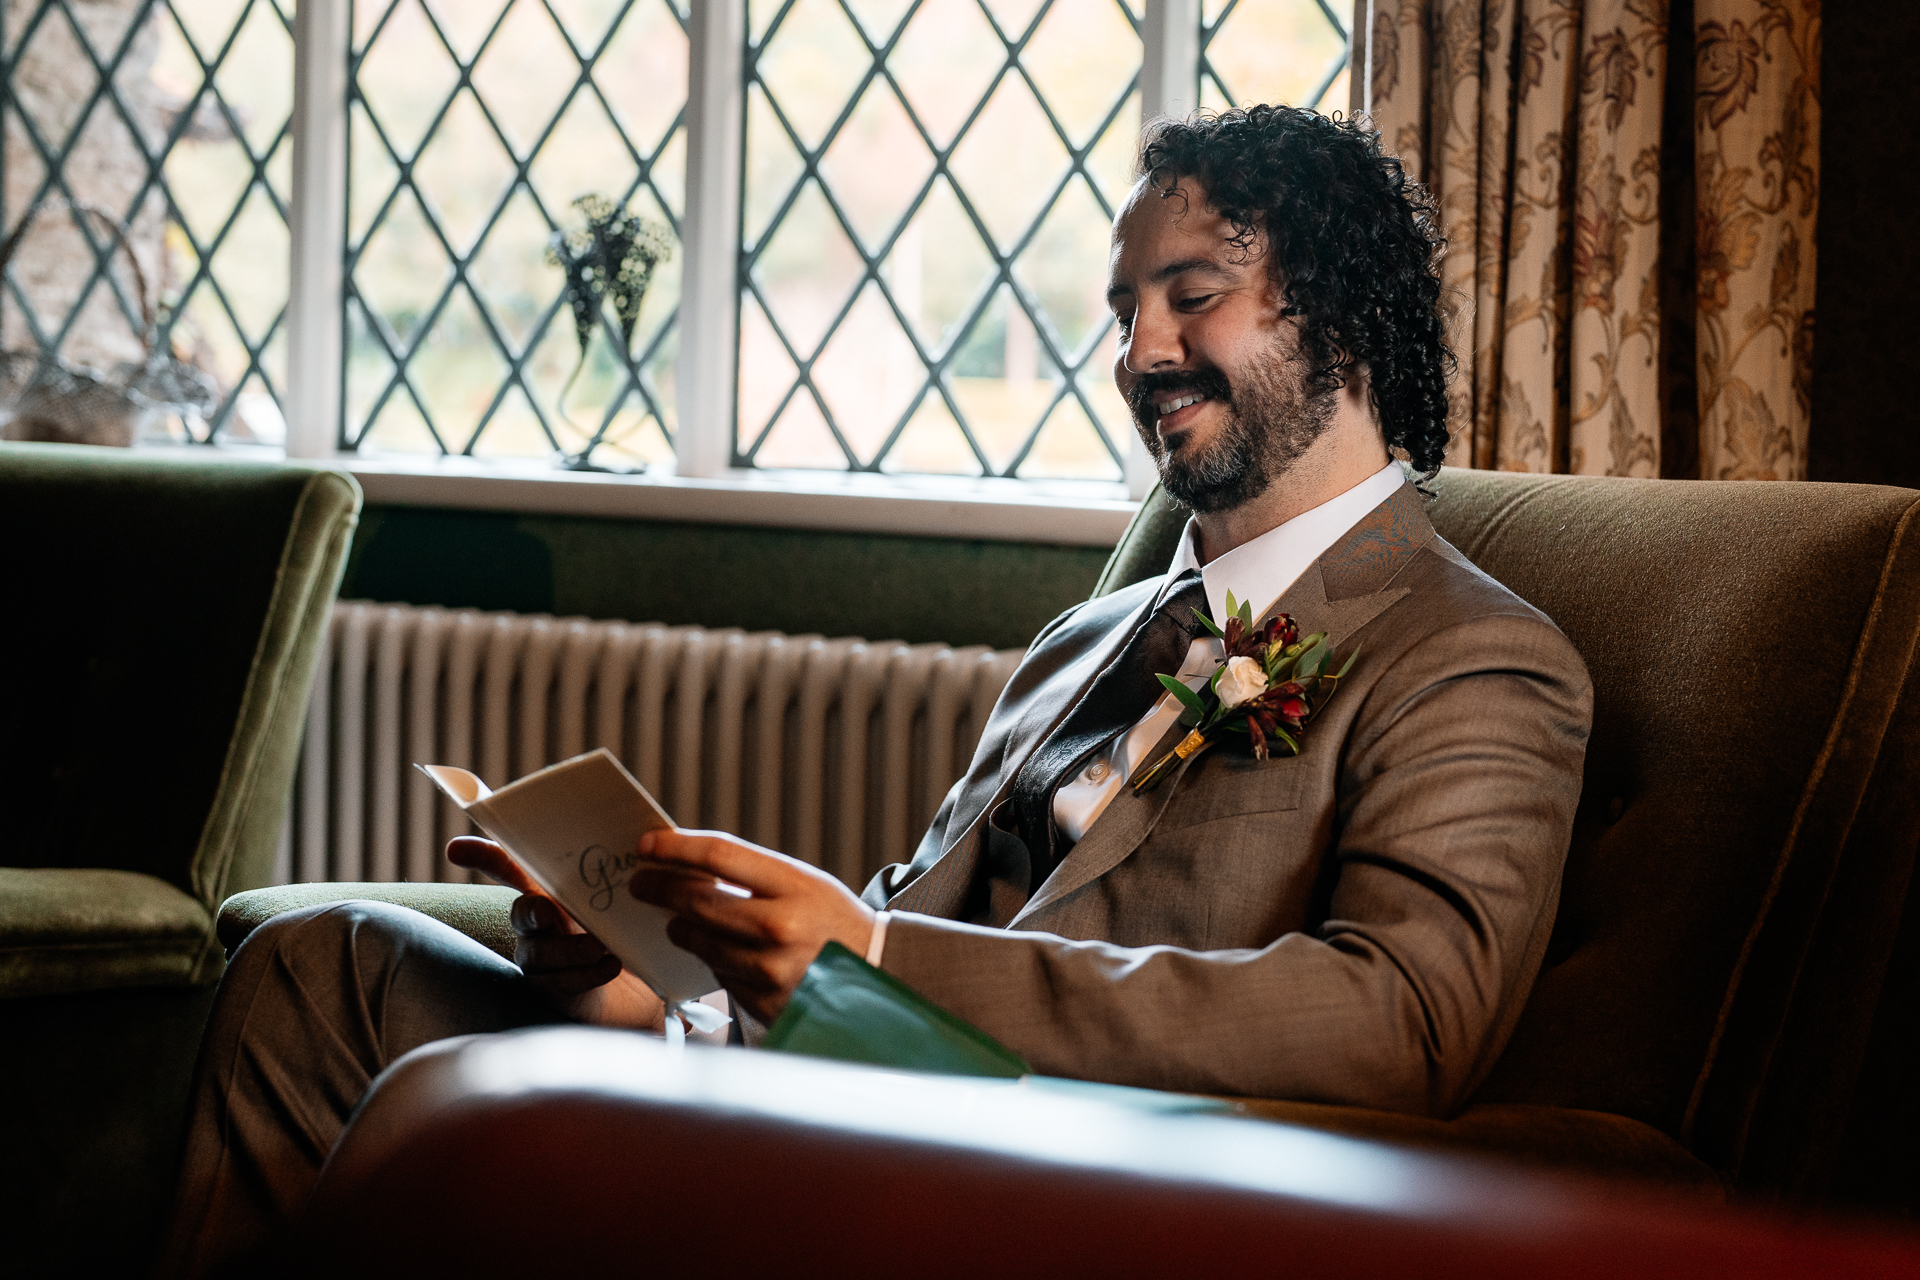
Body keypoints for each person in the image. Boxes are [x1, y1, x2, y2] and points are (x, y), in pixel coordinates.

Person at [159, 105, 1590, 1275]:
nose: (1140, 352)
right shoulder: (1083, 642)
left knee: (451, 1119)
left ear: (1336, 322)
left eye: (1192, 298)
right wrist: (650, 986)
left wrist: (885, 973)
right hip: (834, 1093)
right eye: (1125, 308)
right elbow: (901, 913)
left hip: (1059, 1173)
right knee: (318, 966)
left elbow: (1400, 1020)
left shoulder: (1472, 656)